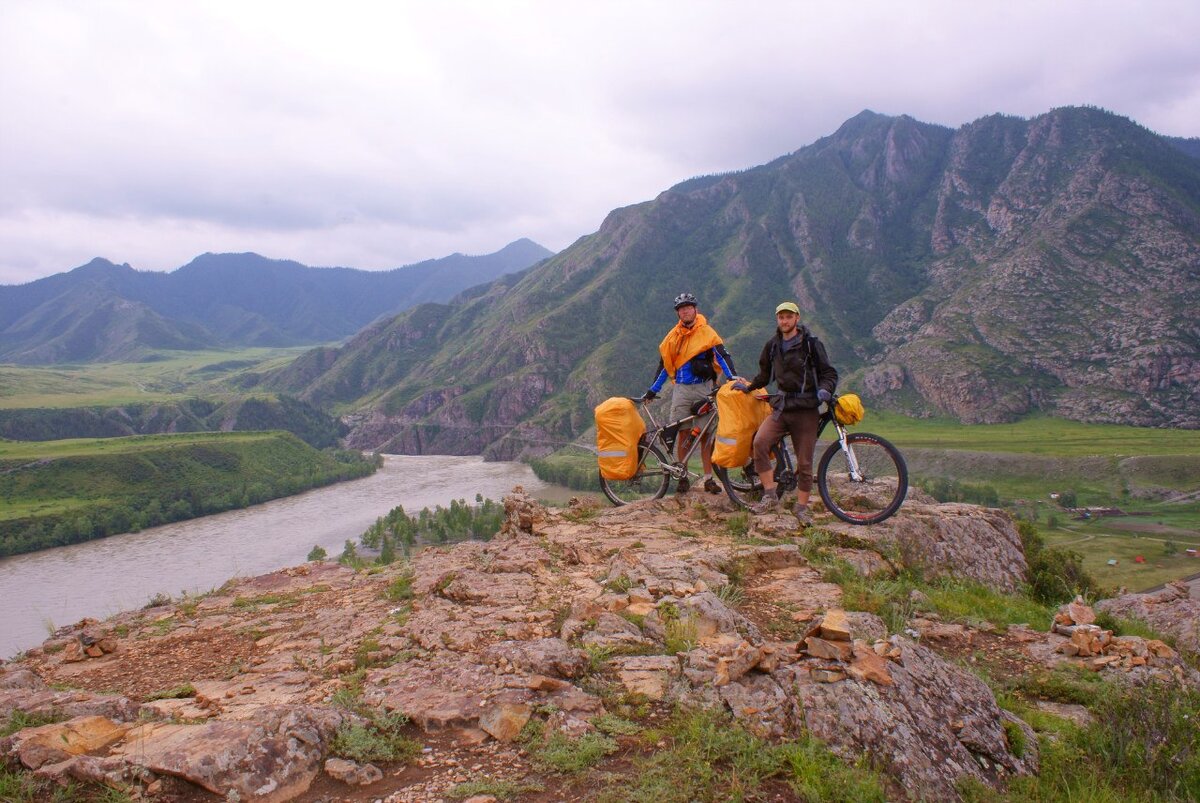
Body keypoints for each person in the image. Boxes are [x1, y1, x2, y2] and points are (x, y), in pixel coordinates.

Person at [733, 301, 838, 524]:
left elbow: (829, 373)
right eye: (781, 317)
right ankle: (770, 495)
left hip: (807, 410)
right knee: (760, 442)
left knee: (805, 462)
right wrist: (749, 387)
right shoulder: (773, 345)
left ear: (797, 318)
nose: (785, 321)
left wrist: (824, 391)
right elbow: (764, 375)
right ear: (777, 319)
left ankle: (801, 508)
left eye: (789, 317)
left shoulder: (811, 344)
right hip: (782, 407)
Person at [645, 292, 738, 494]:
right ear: (678, 313)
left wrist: (733, 378)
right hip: (681, 390)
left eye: (689, 307)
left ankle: (708, 479)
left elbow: (722, 356)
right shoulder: (672, 338)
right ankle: (683, 477)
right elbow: (665, 367)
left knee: (705, 435)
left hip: (704, 388)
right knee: (683, 432)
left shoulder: (707, 333)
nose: (685, 311)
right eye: (681, 308)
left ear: (695, 309)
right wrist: (653, 390)